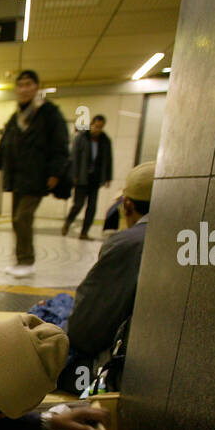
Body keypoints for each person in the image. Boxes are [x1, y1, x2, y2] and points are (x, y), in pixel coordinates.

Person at [58, 163, 154, 394]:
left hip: (124, 375)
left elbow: (84, 331)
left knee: (48, 358)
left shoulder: (128, 245)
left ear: (128, 205)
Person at [0, 69, 69, 278]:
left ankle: (26, 261)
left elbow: (60, 144)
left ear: (37, 87)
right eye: (20, 85)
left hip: (38, 177)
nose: (24, 89)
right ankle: (21, 259)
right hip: (17, 179)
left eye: (28, 84)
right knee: (16, 219)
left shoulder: (49, 113)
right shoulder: (16, 118)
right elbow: (3, 147)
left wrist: (55, 173)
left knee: (23, 216)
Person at [64, 115, 113, 239]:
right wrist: (74, 175)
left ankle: (84, 232)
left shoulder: (105, 141)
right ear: (92, 124)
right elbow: (74, 157)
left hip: (95, 179)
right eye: (96, 126)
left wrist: (108, 177)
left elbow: (108, 160)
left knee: (92, 207)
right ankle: (68, 221)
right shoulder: (81, 138)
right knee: (78, 204)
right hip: (81, 177)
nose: (98, 130)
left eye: (101, 127)